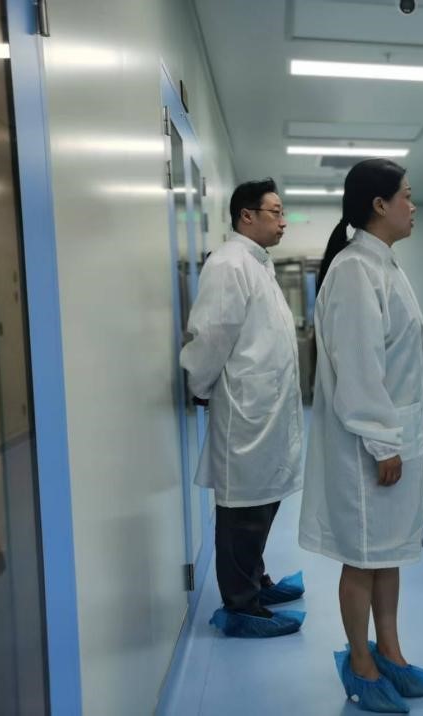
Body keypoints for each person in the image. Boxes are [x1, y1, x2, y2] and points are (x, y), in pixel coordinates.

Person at [299, 159, 423, 713]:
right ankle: (360, 665)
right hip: (370, 445)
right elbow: (359, 368)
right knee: (362, 555)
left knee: (388, 552)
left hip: (395, 436)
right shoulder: (355, 270)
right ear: (379, 205)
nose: (412, 205)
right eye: (406, 196)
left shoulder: (384, 264)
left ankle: (392, 654)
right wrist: (384, 442)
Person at [180, 178, 306, 639]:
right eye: (276, 211)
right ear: (246, 216)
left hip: (266, 409)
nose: (284, 221)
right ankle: (240, 606)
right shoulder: (229, 263)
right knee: (242, 511)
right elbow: (211, 334)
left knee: (262, 504)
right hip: (246, 411)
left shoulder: (256, 263)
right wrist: (199, 384)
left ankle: (256, 583)